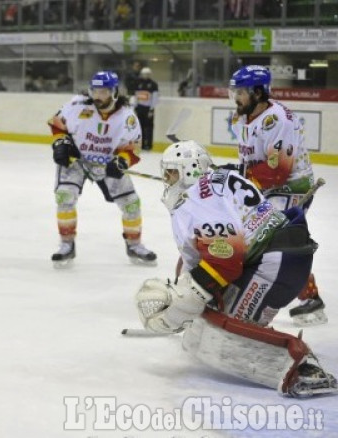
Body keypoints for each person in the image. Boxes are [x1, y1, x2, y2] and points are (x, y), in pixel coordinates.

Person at [136, 140, 336, 398]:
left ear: (189, 170)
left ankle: (304, 368)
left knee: (222, 331)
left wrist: (186, 299)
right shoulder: (220, 178)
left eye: (171, 171)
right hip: (279, 255)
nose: (167, 179)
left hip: (275, 262)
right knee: (212, 309)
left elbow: (227, 260)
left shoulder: (195, 201)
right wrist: (186, 286)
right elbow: (207, 254)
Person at [228, 65, 325, 326]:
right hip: (267, 188)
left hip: (291, 189)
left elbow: (278, 172)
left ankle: (307, 299)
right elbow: (250, 159)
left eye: (240, 92)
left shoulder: (278, 120)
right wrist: (235, 174)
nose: (235, 97)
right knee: (252, 238)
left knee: (274, 245)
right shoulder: (243, 117)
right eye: (233, 91)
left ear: (258, 92)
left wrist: (240, 180)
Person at [47, 70, 157, 268]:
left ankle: (134, 244)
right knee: (64, 196)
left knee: (131, 203)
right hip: (77, 160)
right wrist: (61, 144)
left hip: (108, 162)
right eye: (95, 91)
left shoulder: (127, 116)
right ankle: (66, 245)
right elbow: (57, 124)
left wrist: (121, 162)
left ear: (114, 92)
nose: (98, 96)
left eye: (104, 92)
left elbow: (133, 147)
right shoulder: (77, 105)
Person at [133, 67, 158, 150]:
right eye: (144, 74)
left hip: (148, 109)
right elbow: (136, 96)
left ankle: (149, 145)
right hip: (140, 108)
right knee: (140, 127)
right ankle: (142, 144)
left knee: (149, 127)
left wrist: (152, 109)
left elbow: (155, 98)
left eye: (147, 74)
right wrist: (135, 107)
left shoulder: (153, 84)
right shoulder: (138, 83)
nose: (145, 76)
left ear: (150, 75)